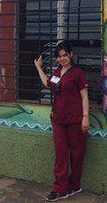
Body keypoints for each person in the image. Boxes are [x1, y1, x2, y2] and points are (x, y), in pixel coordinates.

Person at [34, 41, 90, 202]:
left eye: (65, 55)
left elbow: (84, 96)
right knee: (60, 154)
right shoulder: (58, 73)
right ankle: (60, 189)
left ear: (71, 55)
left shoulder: (78, 73)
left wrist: (85, 117)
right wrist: (38, 67)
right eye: (59, 56)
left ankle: (74, 185)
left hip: (75, 120)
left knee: (77, 153)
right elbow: (47, 83)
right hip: (59, 120)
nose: (62, 59)